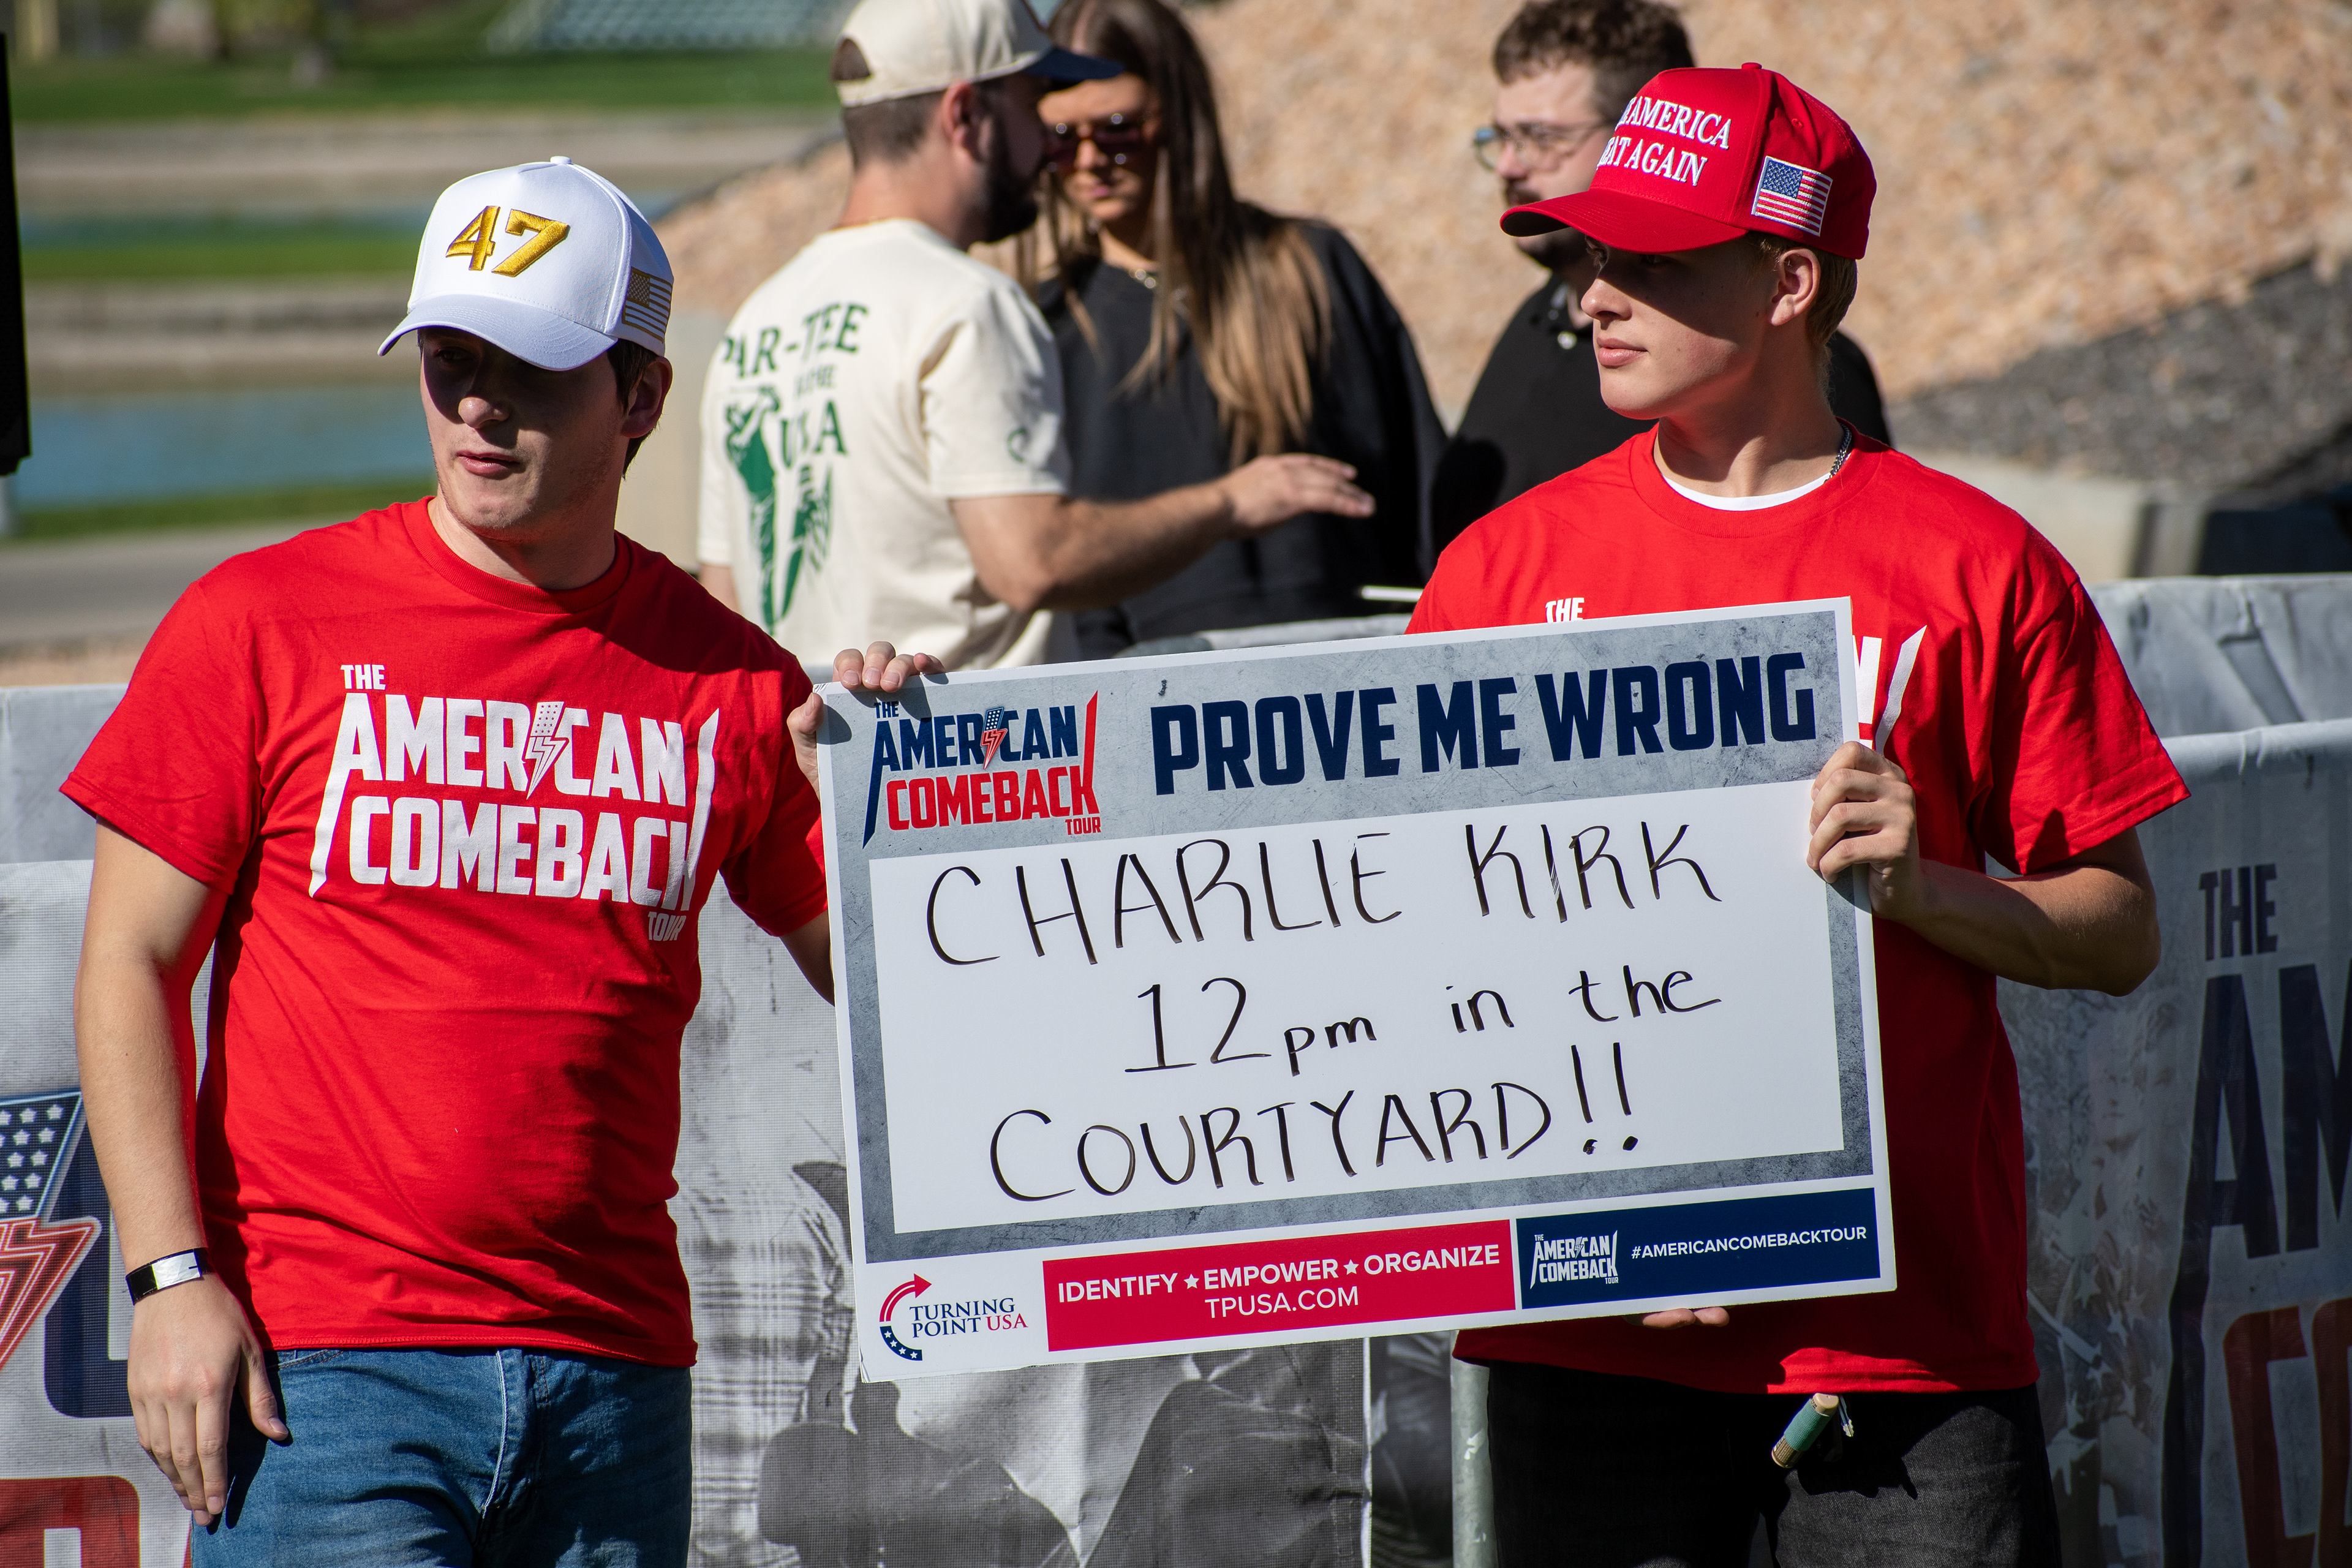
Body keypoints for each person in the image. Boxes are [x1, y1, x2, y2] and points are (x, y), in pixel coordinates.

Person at [66, 156, 936, 1559]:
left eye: (528, 368)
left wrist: (915, 776)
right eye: (449, 358)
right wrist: (169, 1277)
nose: (476, 403)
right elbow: (128, 961)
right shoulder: (259, 620)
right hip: (321, 1375)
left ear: (641, 396)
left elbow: (901, 987)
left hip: (613, 1378)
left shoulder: (732, 682)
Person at [1410, 64, 2187, 1566]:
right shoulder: (1496, 574)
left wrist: (1927, 886)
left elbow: (2120, 928)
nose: (1594, 294)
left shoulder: (1978, 566)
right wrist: (911, 731)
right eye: (1586, 254)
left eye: (1647, 257)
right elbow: (1409, 937)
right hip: (1589, 1327)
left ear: (1786, 280)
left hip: (1897, 1354)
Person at [697, 0, 1373, 669]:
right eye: (1033, 106)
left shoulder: (756, 324)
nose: (1053, 149)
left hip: (814, 751)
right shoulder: (966, 302)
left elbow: (724, 602)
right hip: (960, 761)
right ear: (966, 116)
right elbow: (1034, 562)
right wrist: (1228, 502)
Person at [1023, 0, 1442, 657]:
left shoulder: (1310, 267)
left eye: (1116, 129)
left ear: (1179, 116)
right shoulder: (1044, 324)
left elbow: (1423, 496)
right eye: (1059, 138)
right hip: (1146, 704)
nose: (1088, 161)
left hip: (1345, 680)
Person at [1430, 0, 1890, 551]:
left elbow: (1848, 550)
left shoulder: (1777, 369)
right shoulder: (1534, 329)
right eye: (1501, 137)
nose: (1510, 165)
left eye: (1545, 137)